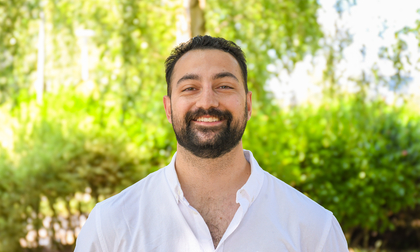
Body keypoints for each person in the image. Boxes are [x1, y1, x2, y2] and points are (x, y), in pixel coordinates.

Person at [75, 35, 349, 252]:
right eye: (190, 88)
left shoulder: (314, 228)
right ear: (168, 109)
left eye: (224, 86)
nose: (207, 102)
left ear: (249, 104)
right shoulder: (110, 224)